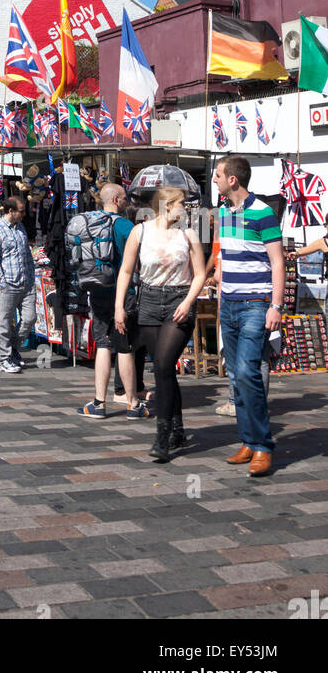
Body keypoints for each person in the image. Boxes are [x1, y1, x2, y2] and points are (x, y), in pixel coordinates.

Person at [115, 187, 206, 462]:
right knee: (164, 371)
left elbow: (200, 274)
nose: (186, 208)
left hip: (179, 300)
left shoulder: (188, 235)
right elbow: (127, 270)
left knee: (164, 366)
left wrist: (188, 302)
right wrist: (119, 306)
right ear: (166, 206)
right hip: (150, 302)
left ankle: (162, 435)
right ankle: (177, 427)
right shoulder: (140, 232)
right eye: (181, 204)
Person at [213, 154, 284, 479]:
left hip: (256, 304)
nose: (214, 180)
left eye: (217, 175)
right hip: (228, 304)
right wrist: (220, 300)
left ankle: (263, 446)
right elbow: (224, 258)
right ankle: (248, 440)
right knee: (234, 376)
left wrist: (276, 305)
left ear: (233, 180)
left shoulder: (263, 213)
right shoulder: (223, 212)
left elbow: (277, 262)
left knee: (246, 372)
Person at [71, 183, 147, 418]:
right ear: (115, 199)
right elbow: (139, 259)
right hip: (124, 294)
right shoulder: (125, 225)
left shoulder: (90, 225)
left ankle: (98, 403)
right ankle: (133, 405)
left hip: (97, 291)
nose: (127, 202)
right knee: (125, 348)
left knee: (103, 345)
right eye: (124, 198)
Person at [0, 196, 36, 374]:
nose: (24, 214)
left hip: (26, 282)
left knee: (29, 318)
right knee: (4, 322)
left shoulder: (20, 227)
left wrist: (31, 276)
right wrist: (3, 283)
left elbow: (27, 255)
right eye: (21, 210)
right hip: (9, 283)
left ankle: (13, 349)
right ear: (11, 211)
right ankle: (3, 358)